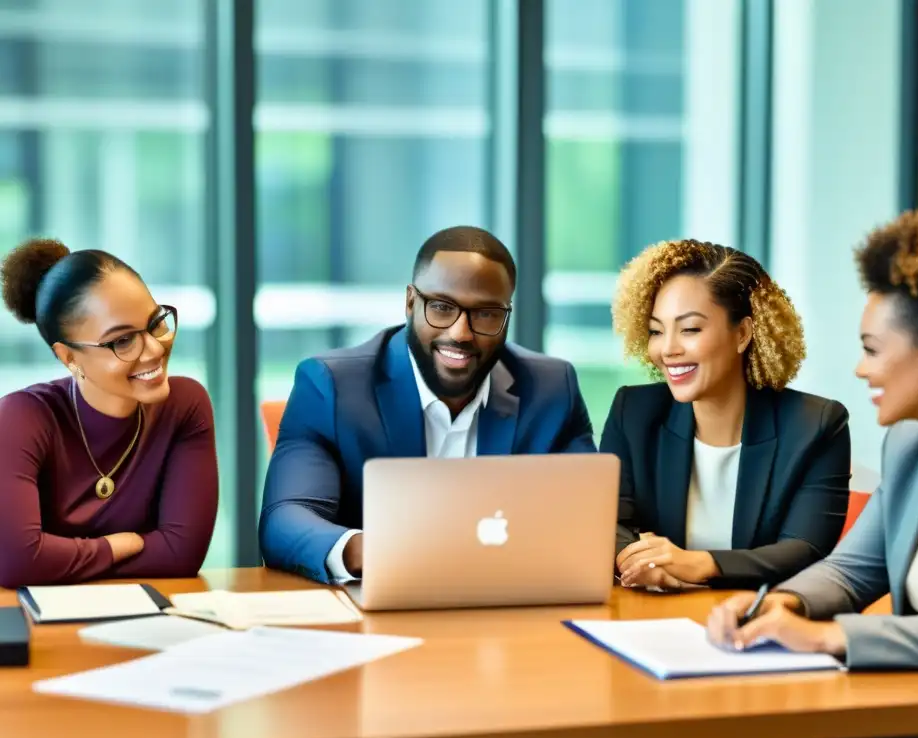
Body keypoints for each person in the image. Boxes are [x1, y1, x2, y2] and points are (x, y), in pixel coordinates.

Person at [705, 210, 918, 738]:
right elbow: (851, 570)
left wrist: (825, 639)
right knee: (738, 714)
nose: (859, 369)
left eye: (873, 349)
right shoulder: (911, 447)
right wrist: (779, 604)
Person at [259, 225, 596, 583]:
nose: (460, 333)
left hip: (510, 609)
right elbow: (285, 518)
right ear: (410, 302)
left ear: (506, 316)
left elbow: (593, 513)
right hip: (380, 615)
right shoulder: (331, 386)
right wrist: (368, 550)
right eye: (441, 307)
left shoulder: (552, 389)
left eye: (485, 313)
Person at [605, 240, 851, 593]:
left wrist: (699, 563)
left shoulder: (816, 424)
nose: (668, 349)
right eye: (657, 331)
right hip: (656, 616)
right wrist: (642, 561)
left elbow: (805, 549)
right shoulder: (634, 412)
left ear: (742, 334)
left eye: (689, 329)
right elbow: (610, 522)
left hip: (758, 621)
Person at [0, 238, 218, 588]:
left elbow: (183, 555)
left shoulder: (185, 406)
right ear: (68, 357)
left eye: (155, 323)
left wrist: (58, 560)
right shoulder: (22, 418)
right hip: (38, 627)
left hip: (147, 621)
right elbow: (17, 562)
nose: (153, 348)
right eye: (122, 340)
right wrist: (115, 547)